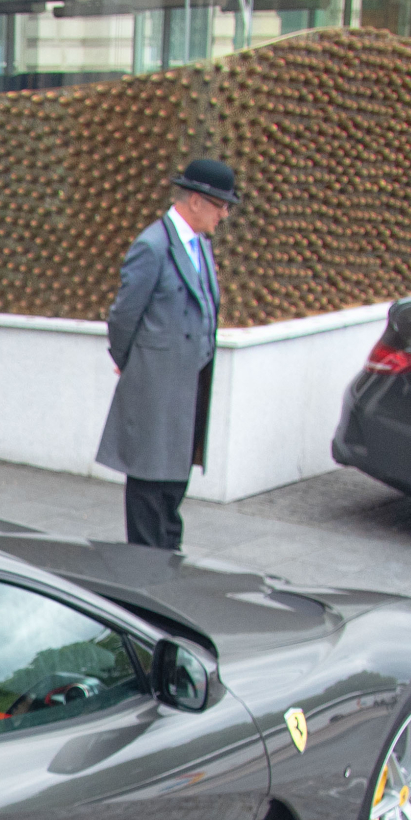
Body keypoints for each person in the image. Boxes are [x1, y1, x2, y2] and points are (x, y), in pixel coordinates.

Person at [95, 157, 239, 552]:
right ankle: (145, 579)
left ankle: (169, 569)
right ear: (196, 201)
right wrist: (137, 366)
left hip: (188, 389)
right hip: (155, 387)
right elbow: (123, 317)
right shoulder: (152, 246)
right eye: (220, 205)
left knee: (173, 492)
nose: (224, 214)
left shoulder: (200, 246)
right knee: (148, 489)